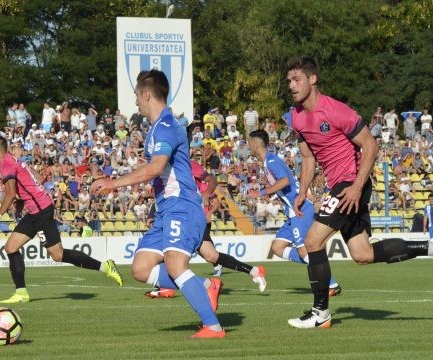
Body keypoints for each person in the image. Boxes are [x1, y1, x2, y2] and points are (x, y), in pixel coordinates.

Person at [284, 55, 432, 329]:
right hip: (340, 185)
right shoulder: (296, 117)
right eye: (289, 81)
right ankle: (428, 246)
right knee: (362, 254)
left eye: (296, 79)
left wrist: (356, 186)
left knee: (313, 241)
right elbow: (308, 159)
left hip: (350, 183)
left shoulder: (336, 110)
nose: (291, 85)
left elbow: (371, 145)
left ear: (312, 79)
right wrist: (302, 191)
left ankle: (320, 314)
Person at [90, 69, 224, 339]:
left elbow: (156, 168)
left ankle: (213, 326)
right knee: (140, 268)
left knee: (175, 264)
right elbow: (157, 169)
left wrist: (112, 183)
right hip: (166, 211)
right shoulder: (158, 127)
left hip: (181, 206)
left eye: (137, 96)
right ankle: (205, 285)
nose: (136, 102)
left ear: (147, 94)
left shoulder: (166, 126)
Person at [0, 136, 122, 304]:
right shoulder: (15, 160)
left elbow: (11, 193)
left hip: (41, 211)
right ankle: (21, 292)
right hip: (37, 209)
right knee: (11, 247)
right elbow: (40, 179)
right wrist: (24, 198)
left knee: (57, 255)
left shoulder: (6, 164)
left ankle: (105, 266)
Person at [145, 159, 267, 299]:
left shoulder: (188, 164)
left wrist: (207, 194)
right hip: (176, 215)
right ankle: (255, 271)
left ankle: (168, 288)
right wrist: (152, 214)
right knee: (211, 256)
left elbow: (212, 180)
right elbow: (163, 195)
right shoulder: (161, 165)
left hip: (191, 218)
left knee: (170, 250)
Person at [247, 130, 340, 295]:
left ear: (255, 144)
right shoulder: (268, 162)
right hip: (293, 212)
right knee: (277, 248)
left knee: (305, 251)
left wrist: (262, 192)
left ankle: (330, 284)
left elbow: (285, 181)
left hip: (300, 208)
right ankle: (318, 264)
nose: (248, 147)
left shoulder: (271, 160)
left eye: (249, 143)